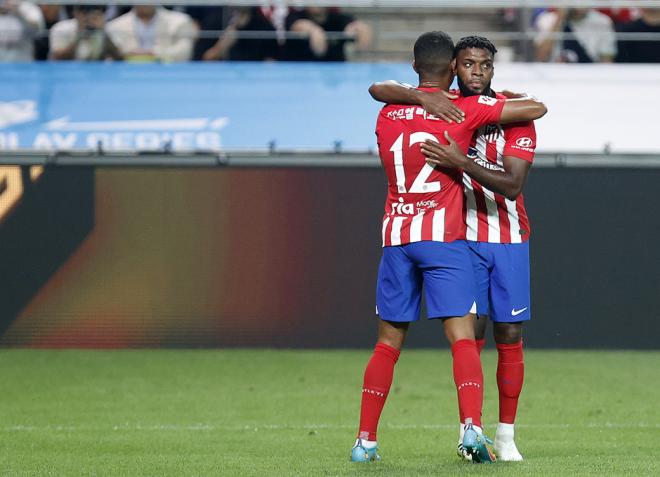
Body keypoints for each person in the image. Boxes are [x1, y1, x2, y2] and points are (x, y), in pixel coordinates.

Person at [351, 31, 547, 464]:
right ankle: (470, 431)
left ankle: (500, 435)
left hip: (486, 236)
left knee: (503, 334)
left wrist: (426, 109)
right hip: (457, 238)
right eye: (468, 64)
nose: (476, 71)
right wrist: (427, 99)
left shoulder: (394, 111)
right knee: (466, 336)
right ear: (454, 67)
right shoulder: (461, 107)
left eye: (485, 65)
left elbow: (515, 181)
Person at [106, 5, 195, 62]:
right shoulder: (114, 26)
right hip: (127, 76)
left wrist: (154, 52)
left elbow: (184, 53)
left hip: (168, 75)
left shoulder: (181, 21)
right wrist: (131, 54)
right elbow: (113, 56)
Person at [283, 7, 371, 61]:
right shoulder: (294, 16)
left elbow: (359, 27)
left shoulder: (337, 17)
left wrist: (359, 28)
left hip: (334, 77)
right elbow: (297, 25)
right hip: (301, 73)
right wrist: (313, 31)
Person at [534, 8, 617, 63]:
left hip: (590, 77)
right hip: (554, 78)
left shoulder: (602, 21)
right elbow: (541, 57)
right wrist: (559, 19)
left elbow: (607, 61)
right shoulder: (547, 19)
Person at [201, 7, 279, 61]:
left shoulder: (264, 25)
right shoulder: (216, 19)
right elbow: (202, 61)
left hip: (255, 78)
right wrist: (220, 47)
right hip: (223, 77)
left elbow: (273, 60)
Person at [50, 5, 122, 61]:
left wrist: (103, 34)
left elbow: (120, 58)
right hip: (67, 72)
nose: (89, 19)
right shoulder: (61, 28)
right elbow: (57, 59)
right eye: (85, 13)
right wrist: (79, 37)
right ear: (76, 13)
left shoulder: (108, 29)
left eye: (95, 14)